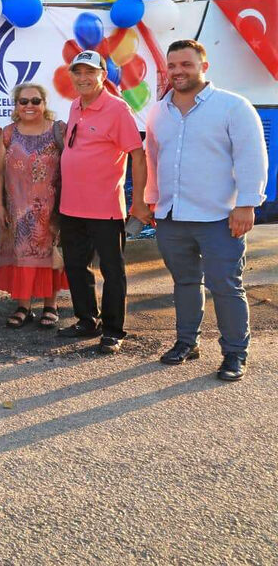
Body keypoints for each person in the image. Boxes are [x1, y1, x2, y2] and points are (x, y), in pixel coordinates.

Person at [146, 40, 267, 381]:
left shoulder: (233, 106)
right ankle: (187, 342)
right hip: (172, 217)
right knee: (184, 282)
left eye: (185, 64)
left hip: (219, 217)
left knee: (226, 285)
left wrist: (246, 204)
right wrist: (152, 200)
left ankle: (234, 354)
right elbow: (153, 160)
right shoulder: (159, 110)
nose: (178, 71)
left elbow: (251, 157)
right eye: (172, 66)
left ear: (204, 66)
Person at [58, 50, 151, 354]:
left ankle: (113, 330)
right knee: (75, 266)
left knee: (112, 270)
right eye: (78, 72)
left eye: (90, 72)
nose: (83, 78)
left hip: (105, 207)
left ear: (103, 75)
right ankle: (87, 320)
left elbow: (137, 155)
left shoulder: (117, 109)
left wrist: (139, 201)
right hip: (71, 206)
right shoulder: (74, 105)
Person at [0, 83, 68, 328]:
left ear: (44, 104)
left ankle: (50, 306)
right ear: (16, 106)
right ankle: (23, 306)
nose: (29, 106)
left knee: (50, 255)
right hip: (18, 210)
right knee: (20, 256)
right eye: (23, 101)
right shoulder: (8, 133)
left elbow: (72, 166)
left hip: (51, 209)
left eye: (35, 101)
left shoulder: (58, 130)